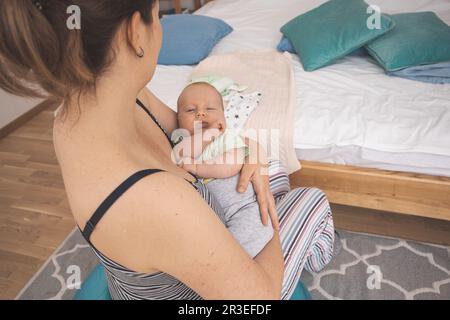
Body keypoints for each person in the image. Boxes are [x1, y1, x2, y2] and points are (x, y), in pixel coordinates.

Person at [0, 0, 335, 300]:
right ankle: (313, 249)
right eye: (158, 16)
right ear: (135, 32)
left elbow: (185, 128)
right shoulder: (153, 196)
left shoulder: (97, 106)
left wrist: (250, 150)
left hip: (164, 246)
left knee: (271, 168)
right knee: (312, 201)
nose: (160, 27)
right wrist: (266, 215)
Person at [174, 81, 274, 259]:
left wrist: (199, 167)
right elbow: (180, 155)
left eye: (210, 108)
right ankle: (223, 263)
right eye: (190, 110)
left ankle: (231, 262)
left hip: (242, 204)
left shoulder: (228, 138)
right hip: (210, 213)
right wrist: (207, 135)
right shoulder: (182, 139)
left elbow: (233, 163)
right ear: (178, 119)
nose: (201, 113)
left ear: (223, 117)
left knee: (260, 229)